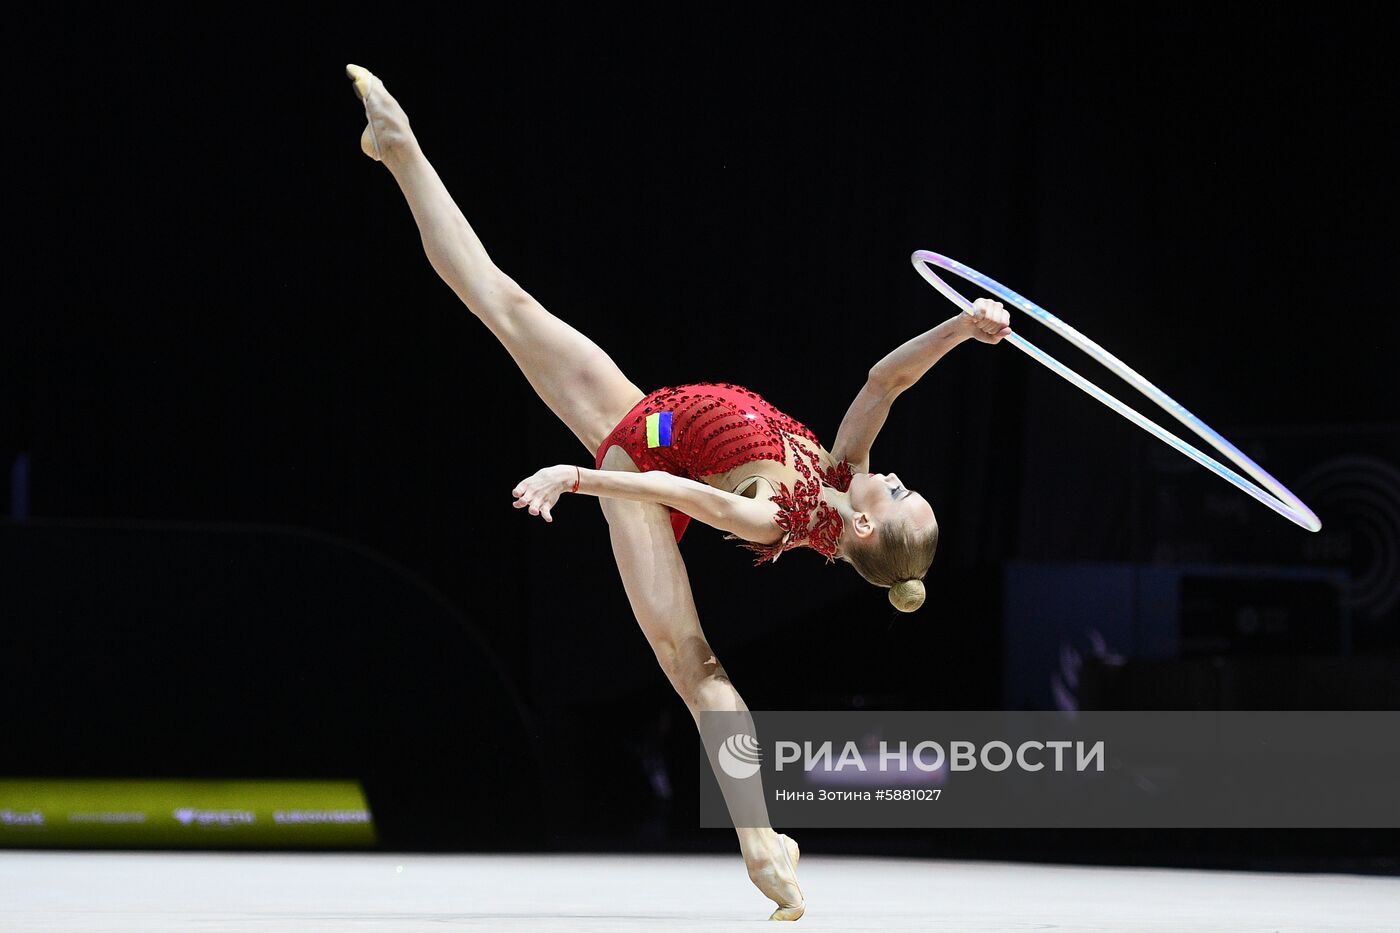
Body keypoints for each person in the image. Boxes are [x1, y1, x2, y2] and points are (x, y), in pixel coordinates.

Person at [344, 64, 1011, 920]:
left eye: (904, 492)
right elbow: (886, 379)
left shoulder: (786, 510)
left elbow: (689, 502)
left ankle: (760, 837)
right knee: (504, 302)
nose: (898, 475)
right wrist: (964, 326)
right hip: (648, 422)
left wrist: (581, 476)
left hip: (635, 467)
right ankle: (398, 149)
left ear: (871, 526)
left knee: (695, 668)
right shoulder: (841, 471)